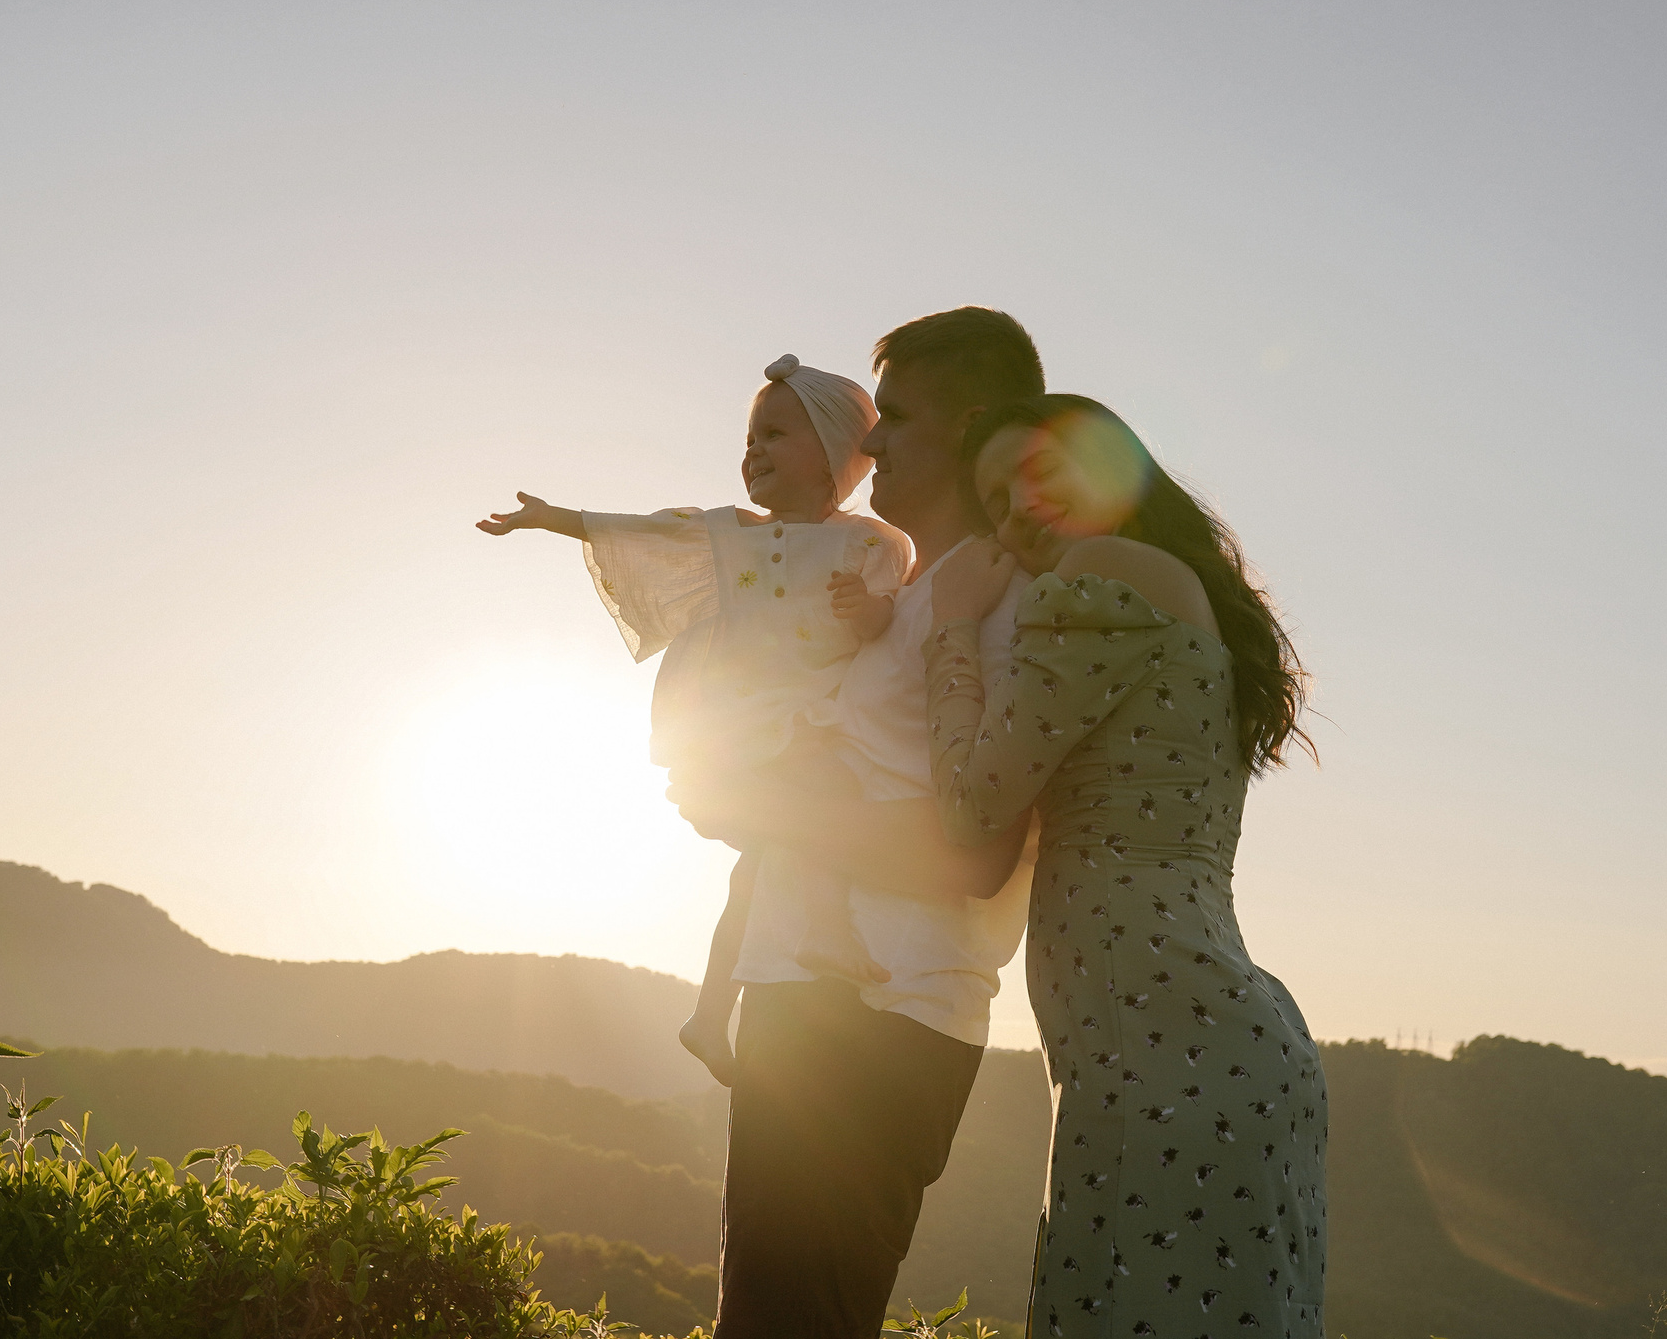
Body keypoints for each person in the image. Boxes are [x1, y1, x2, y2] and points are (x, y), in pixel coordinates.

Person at [664, 307, 1048, 1338]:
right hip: (799, 998)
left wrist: (768, 808)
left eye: (899, 419)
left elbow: (973, 850)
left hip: (880, 1014)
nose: (869, 443)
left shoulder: (1008, 601)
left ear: (973, 427)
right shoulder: (901, 601)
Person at [923, 395, 1328, 1338]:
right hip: (1210, 1050)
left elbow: (972, 803)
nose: (1017, 509)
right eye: (995, 499)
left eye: (1041, 472)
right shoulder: (1177, 594)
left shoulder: (1101, 574)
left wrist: (952, 627)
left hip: (1160, 1059)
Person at [475, 355, 908, 1086]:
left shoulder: (869, 544)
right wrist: (553, 519)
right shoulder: (726, 534)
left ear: (836, 450)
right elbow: (639, 533)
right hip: (741, 729)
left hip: (801, 722)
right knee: (823, 803)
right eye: (749, 437)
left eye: (775, 434)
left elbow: (886, 622)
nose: (753, 451)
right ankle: (827, 932)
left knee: (764, 862)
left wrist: (865, 610)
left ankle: (708, 1014)